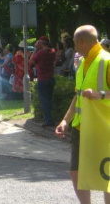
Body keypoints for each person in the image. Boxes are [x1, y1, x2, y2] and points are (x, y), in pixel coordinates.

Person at [55, 25, 110, 204]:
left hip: (103, 128)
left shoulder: (106, 61)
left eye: (74, 42)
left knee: (107, 175)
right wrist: (65, 120)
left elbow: (99, 95)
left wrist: (100, 95)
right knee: (76, 172)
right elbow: (77, 97)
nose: (73, 46)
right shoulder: (83, 64)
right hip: (81, 127)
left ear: (80, 42)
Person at [29, 36, 56, 127]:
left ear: (41, 43)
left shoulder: (40, 53)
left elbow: (31, 62)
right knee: (49, 99)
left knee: (44, 101)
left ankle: (48, 120)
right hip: (51, 78)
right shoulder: (52, 51)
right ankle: (50, 118)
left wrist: (36, 49)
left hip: (42, 79)